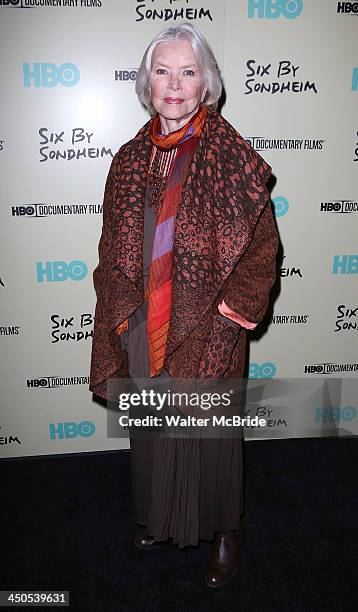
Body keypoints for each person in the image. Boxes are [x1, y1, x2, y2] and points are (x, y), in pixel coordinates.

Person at [89, 23, 279, 588]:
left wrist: (232, 314)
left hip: (208, 322)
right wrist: (114, 313)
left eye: (188, 72)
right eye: (162, 71)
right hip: (145, 317)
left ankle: (225, 530)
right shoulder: (126, 160)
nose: (174, 84)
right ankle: (161, 516)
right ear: (147, 83)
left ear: (207, 85)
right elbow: (112, 243)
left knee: (209, 436)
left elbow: (263, 246)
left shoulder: (231, 155)